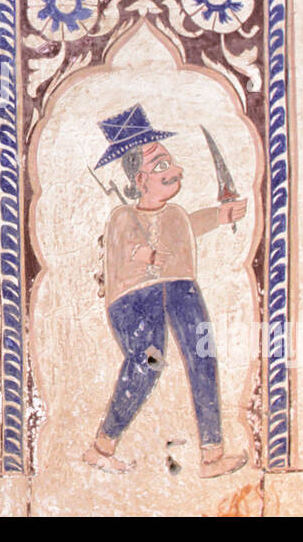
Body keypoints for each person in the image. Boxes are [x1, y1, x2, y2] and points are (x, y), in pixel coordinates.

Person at [82, 104, 248, 477]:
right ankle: (101, 447)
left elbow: (189, 225)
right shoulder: (123, 217)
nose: (174, 171)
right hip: (135, 298)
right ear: (138, 181)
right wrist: (147, 254)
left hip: (180, 288)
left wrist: (223, 215)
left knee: (203, 354)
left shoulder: (174, 216)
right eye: (160, 166)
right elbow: (125, 249)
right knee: (148, 361)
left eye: (170, 163)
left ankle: (212, 454)